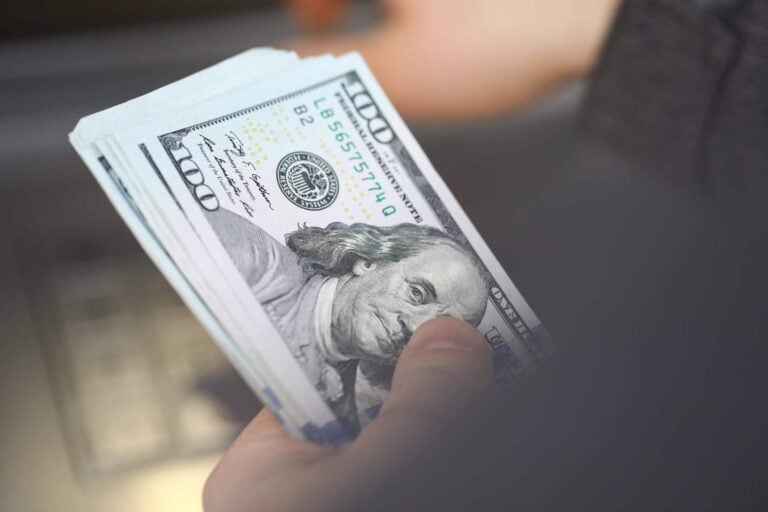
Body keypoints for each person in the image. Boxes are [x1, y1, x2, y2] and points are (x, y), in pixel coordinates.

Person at [204, 0, 768, 510]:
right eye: (419, 293)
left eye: (445, 318)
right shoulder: (254, 259)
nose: (418, 333)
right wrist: (611, 29)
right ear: (364, 260)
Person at [208, 208, 488, 431]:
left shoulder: (342, 421)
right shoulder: (247, 253)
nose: (416, 327)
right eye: (417, 293)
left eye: (437, 328)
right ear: (367, 261)